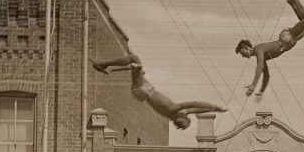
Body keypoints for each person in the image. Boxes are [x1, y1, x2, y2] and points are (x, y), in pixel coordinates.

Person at [91, 53, 226, 129]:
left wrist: (214, 106)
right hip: (145, 90)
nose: (186, 113)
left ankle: (105, 63)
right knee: (138, 69)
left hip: (142, 90)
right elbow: (195, 110)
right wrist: (214, 109)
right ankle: (111, 70)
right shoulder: (173, 114)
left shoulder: (173, 108)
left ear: (180, 116)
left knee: (135, 59)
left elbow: (195, 103)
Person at [236, 0, 304, 98]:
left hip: (287, 38)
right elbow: (266, 75)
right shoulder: (259, 54)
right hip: (291, 41)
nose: (243, 56)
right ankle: (292, 2)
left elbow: (260, 67)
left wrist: (253, 85)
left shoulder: (258, 49)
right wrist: (261, 91)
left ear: (246, 48)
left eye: (243, 53)